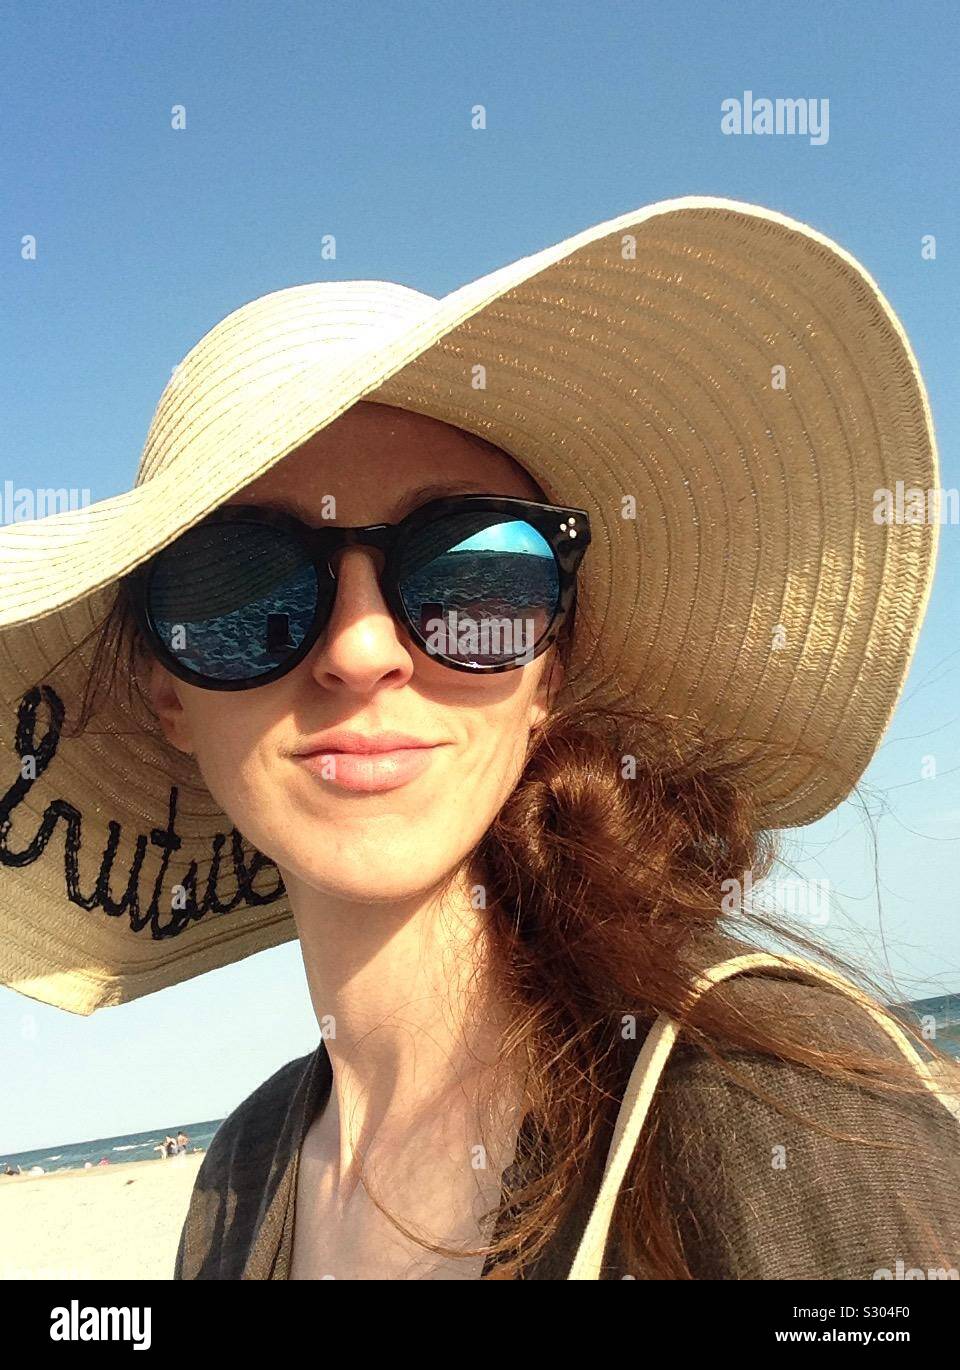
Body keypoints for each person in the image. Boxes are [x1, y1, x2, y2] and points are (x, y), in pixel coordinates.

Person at [1, 197, 958, 1280]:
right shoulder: (242, 1174)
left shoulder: (751, 1095)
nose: (363, 650)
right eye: (246, 586)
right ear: (167, 693)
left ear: (546, 668)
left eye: (473, 579)